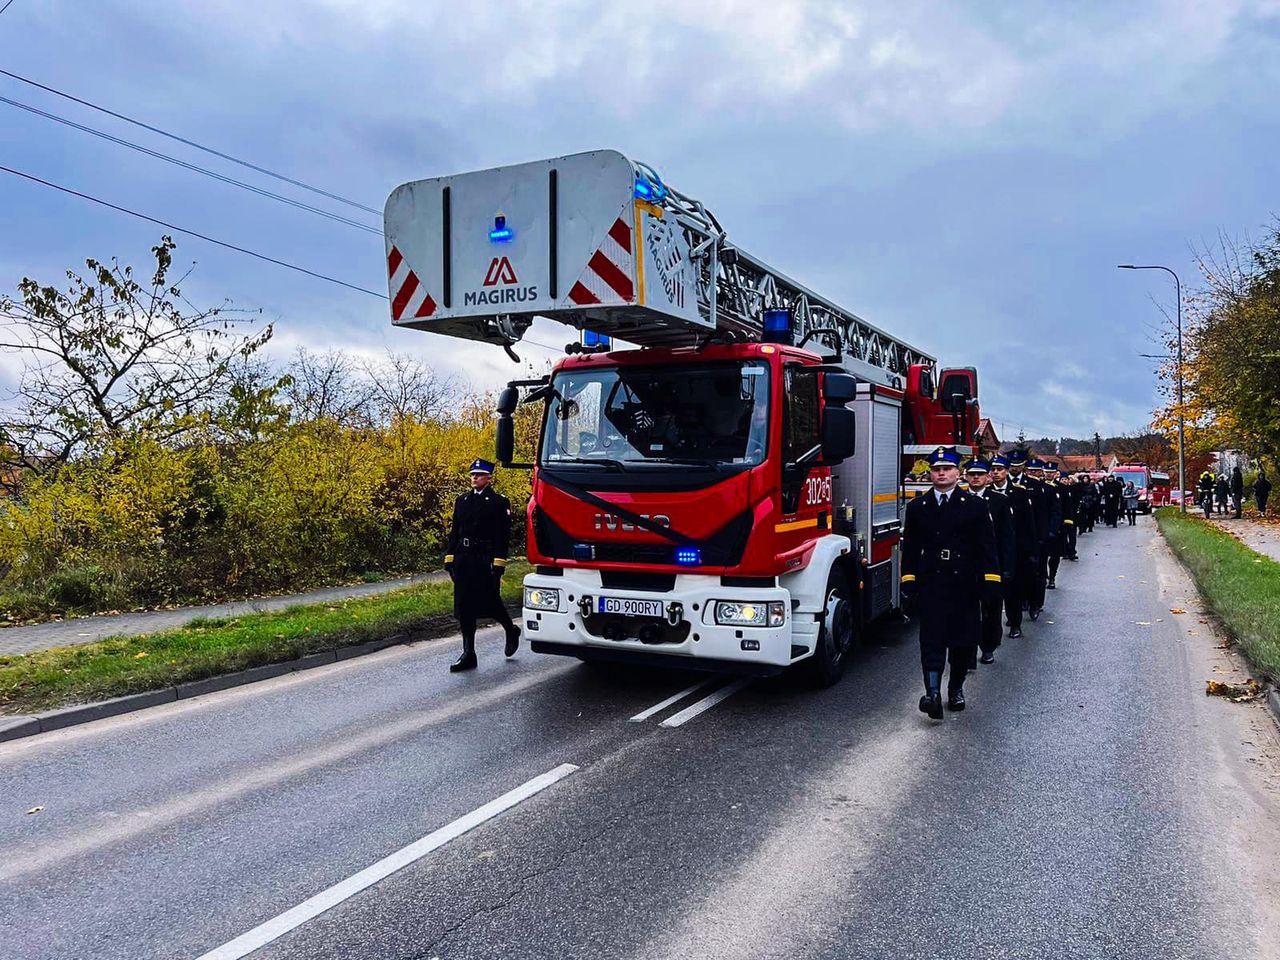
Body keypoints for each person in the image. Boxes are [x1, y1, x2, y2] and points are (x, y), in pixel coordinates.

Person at [901, 446, 1001, 718]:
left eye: (947, 469)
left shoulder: (976, 506)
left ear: (958, 473)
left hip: (965, 585)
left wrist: (991, 582)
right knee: (931, 642)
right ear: (930, 473)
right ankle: (932, 693)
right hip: (932, 584)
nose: (941, 473)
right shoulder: (918, 507)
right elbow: (910, 549)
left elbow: (987, 548)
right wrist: (908, 579)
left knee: (962, 644)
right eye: (936, 469)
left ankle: (955, 688)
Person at [443, 458, 521, 672]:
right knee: (464, 605)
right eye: (472, 474)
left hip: (484, 558)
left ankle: (510, 629)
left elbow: (502, 537)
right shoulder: (462, 500)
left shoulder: (498, 502)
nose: (474, 478)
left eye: (478, 474)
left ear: (489, 477)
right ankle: (469, 653)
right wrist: (449, 558)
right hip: (464, 558)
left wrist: (498, 564)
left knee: (491, 602)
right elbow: (455, 531)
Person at [963, 458, 1015, 664]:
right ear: (965, 476)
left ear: (987, 477)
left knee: (991, 609)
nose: (976, 477)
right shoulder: (959, 500)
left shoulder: (999, 501)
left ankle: (988, 646)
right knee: (966, 611)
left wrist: (1007, 567)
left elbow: (1007, 537)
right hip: (965, 566)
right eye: (972, 474)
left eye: (980, 474)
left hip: (992, 565)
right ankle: (966, 652)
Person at [989, 454, 1036, 639]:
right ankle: (992, 634)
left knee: (1013, 592)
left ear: (1007, 471)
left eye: (999, 469)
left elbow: (1027, 523)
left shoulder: (1019, 493)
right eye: (993, 470)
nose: (996, 473)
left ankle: (1015, 624)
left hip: (1014, 549)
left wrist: (1031, 551)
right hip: (992, 549)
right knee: (992, 595)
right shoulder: (985, 494)